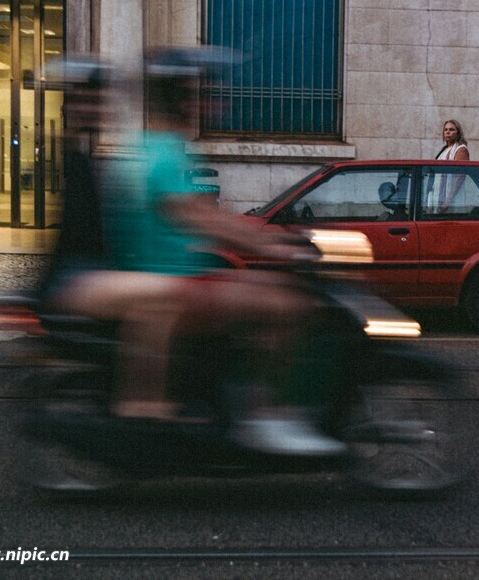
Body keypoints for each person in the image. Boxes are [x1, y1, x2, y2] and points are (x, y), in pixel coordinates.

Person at [45, 49, 344, 456]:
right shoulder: (165, 154)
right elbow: (202, 219)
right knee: (287, 306)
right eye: (204, 93)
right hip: (177, 282)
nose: (214, 103)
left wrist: (266, 241)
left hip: (176, 275)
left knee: (266, 287)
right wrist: (279, 245)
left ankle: (240, 402)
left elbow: (203, 218)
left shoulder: (150, 148)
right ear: (183, 99)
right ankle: (265, 417)